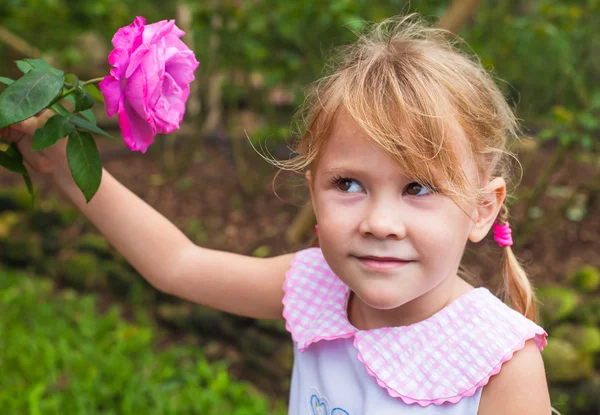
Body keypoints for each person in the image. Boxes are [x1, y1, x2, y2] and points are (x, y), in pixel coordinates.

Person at [1, 15, 551, 415]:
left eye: (418, 188)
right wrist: (59, 165)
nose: (380, 222)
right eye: (349, 184)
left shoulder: (501, 363)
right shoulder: (318, 286)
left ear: (483, 209)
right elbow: (177, 263)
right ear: (313, 192)